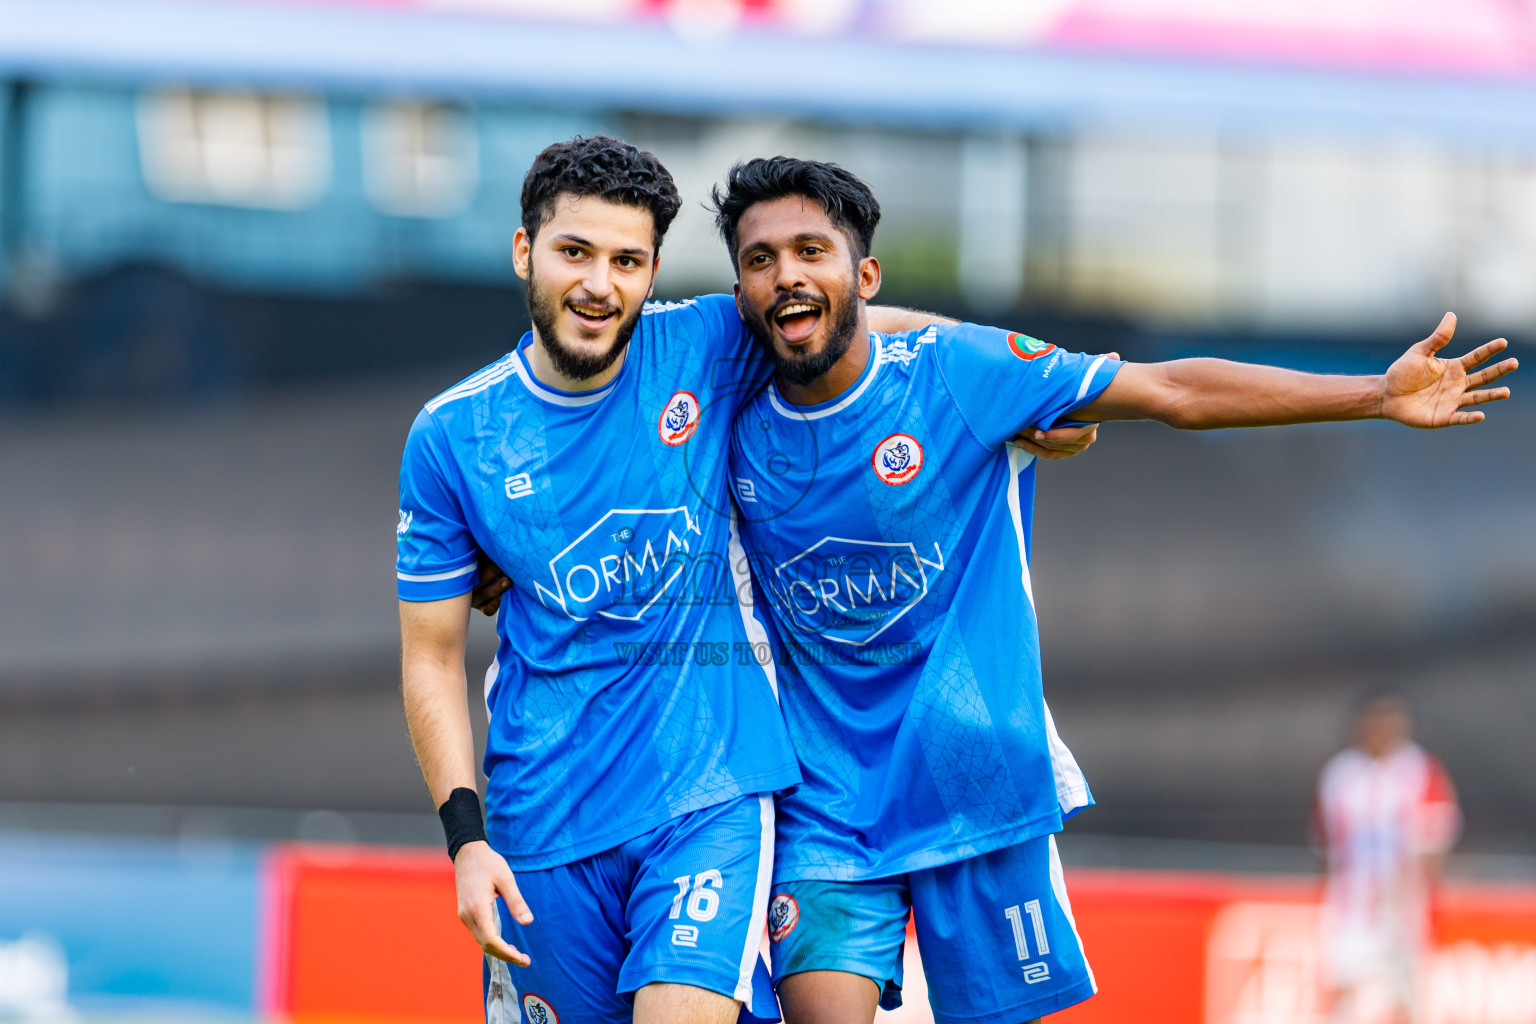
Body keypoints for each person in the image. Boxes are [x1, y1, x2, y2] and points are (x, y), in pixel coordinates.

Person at [712, 156, 1515, 1024]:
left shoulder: (958, 371)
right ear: (740, 287)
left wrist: (1372, 394)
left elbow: (1173, 389)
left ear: (863, 273)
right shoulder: (719, 384)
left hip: (977, 788)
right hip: (825, 813)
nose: (787, 273)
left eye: (810, 250)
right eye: (761, 260)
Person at [395, 136, 1099, 1024]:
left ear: (653, 271)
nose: (598, 284)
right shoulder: (452, 437)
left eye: (627, 260)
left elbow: (848, 315)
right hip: (542, 818)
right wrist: (465, 840)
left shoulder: (703, 344)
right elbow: (429, 659)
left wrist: (1023, 384)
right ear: (523, 252)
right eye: (575, 251)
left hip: (710, 796)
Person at [1313, 693, 1461, 1024]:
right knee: (1344, 984)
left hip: (1402, 903)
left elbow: (1436, 839)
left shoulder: (1420, 771)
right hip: (1351, 904)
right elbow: (1325, 844)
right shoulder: (1340, 775)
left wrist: (1410, 891)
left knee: (1406, 991)